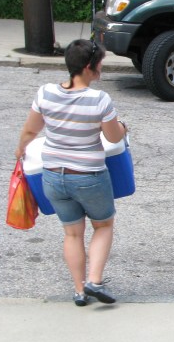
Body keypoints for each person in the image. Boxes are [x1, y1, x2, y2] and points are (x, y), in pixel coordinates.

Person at [15, 39, 128, 307]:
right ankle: (94, 281)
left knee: (72, 233)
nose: (101, 68)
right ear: (89, 68)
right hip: (88, 176)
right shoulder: (99, 99)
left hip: (52, 176)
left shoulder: (45, 93)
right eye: (100, 64)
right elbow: (113, 138)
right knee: (102, 225)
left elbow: (31, 131)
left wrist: (20, 151)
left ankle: (79, 291)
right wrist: (123, 126)